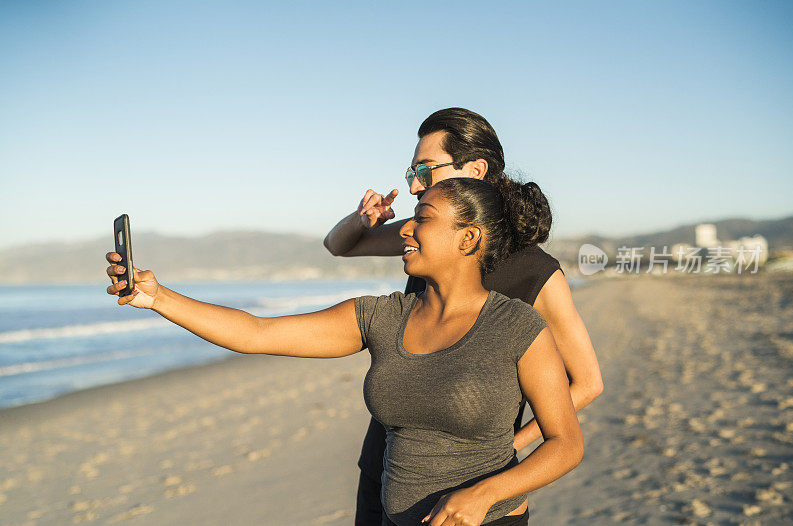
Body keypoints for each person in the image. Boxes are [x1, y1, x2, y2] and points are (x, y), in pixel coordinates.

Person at [105, 177, 584, 526]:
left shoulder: (517, 326)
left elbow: (566, 444)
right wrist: (158, 297)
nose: (405, 230)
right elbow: (257, 333)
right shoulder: (382, 316)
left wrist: (483, 495)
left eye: (423, 219)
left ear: (469, 238)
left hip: (491, 521)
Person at [324, 107, 603, 525]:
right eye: (410, 173)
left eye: (426, 169)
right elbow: (341, 245)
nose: (416, 185)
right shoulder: (423, 233)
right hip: (387, 460)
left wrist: (511, 448)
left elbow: (587, 382)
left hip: (471, 487)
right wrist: (361, 219)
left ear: (475, 168)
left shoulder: (536, 271)